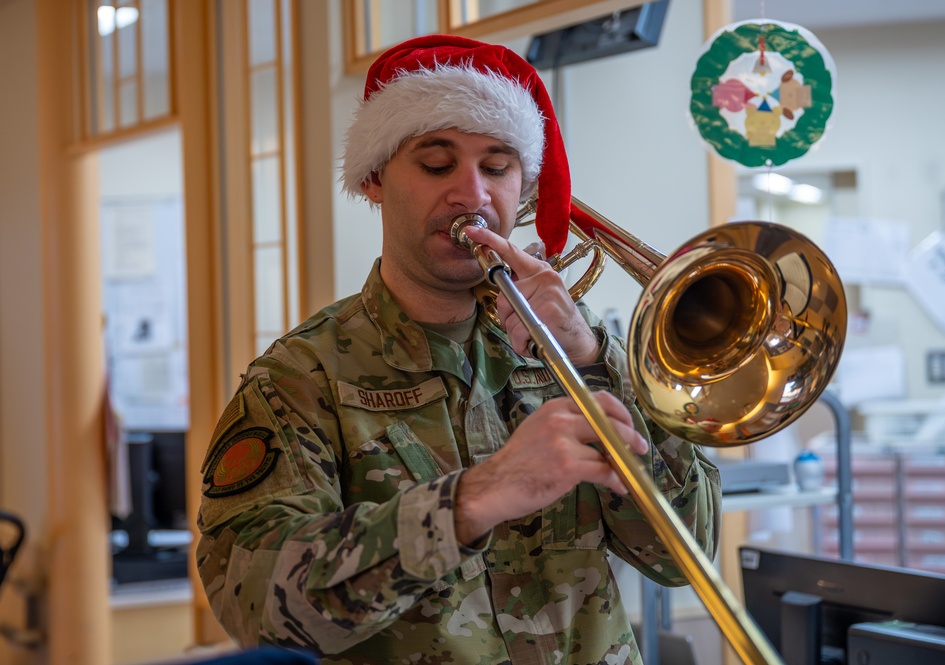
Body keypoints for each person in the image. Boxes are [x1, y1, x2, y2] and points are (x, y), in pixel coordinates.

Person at [196, 34, 721, 664]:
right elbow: (257, 609)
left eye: (497, 167)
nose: (472, 195)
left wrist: (595, 364)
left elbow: (687, 555)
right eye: (437, 165)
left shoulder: (574, 347)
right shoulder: (299, 378)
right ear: (373, 180)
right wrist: (472, 500)